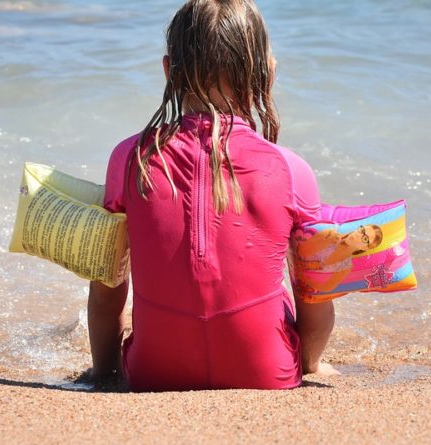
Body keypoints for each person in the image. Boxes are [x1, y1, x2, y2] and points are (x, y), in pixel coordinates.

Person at [87, 0, 337, 391]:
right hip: (265, 375)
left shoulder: (129, 158)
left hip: (153, 374)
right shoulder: (291, 169)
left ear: (168, 71)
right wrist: (310, 364)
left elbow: (107, 289)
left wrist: (103, 372)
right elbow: (315, 297)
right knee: (294, 292)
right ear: (266, 74)